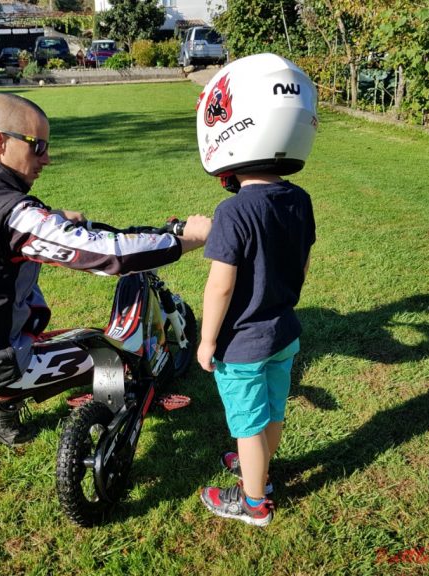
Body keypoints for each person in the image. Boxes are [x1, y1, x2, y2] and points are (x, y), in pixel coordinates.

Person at [0, 93, 211, 448]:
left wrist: (51, 218)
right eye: (37, 146)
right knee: (117, 356)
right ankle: (108, 435)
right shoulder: (15, 216)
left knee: (68, 333)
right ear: (0, 142)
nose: (47, 158)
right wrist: (187, 240)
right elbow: (112, 255)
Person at [193, 54, 319, 526]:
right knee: (273, 410)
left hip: (242, 344)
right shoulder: (300, 200)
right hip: (285, 331)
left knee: (247, 422)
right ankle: (258, 471)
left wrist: (207, 342)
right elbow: (302, 262)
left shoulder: (232, 214)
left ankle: (253, 502)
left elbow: (220, 288)